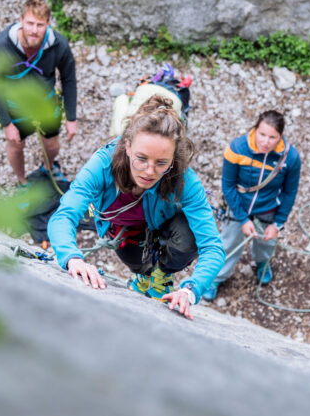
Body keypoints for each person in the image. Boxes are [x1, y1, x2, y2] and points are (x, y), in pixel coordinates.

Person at [48, 95, 225, 319]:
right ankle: (144, 277)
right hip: (125, 232)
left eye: (161, 163)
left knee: (189, 236)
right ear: (128, 147)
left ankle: (162, 275)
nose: (149, 171)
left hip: (164, 226)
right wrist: (72, 257)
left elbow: (212, 246)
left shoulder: (184, 180)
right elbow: (65, 214)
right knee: (139, 266)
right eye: (141, 158)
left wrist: (191, 290)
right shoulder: (103, 164)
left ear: (172, 159)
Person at [203, 110, 301, 301]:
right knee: (229, 243)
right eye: (262, 134)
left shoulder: (290, 158)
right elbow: (228, 185)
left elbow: (289, 192)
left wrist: (278, 223)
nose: (265, 142)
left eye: (272, 137)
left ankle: (262, 262)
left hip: (268, 208)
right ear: (255, 129)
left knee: (266, 242)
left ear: (280, 137)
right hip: (239, 204)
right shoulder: (237, 148)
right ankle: (218, 277)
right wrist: (242, 218)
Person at [0, 0, 77, 185]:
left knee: (51, 144)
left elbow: (68, 79)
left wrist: (71, 118)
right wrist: (6, 123)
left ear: (48, 24)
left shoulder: (59, 45)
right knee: (16, 146)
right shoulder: (0, 46)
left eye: (40, 25)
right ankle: (22, 182)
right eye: (30, 23)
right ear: (20, 20)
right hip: (14, 106)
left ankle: (49, 166)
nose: (34, 31)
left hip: (45, 102)